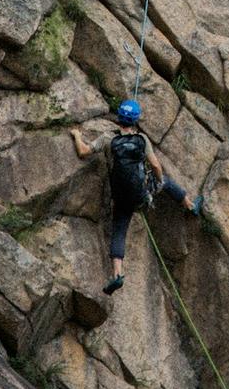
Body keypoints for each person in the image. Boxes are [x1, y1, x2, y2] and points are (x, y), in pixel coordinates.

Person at [71, 97, 202, 294]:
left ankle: (117, 274)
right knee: (165, 182)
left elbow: (83, 152)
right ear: (135, 120)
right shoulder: (142, 140)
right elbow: (156, 166)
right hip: (142, 194)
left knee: (119, 229)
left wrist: (76, 135)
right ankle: (190, 206)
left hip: (121, 198)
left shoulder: (109, 139)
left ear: (119, 118)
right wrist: (158, 181)